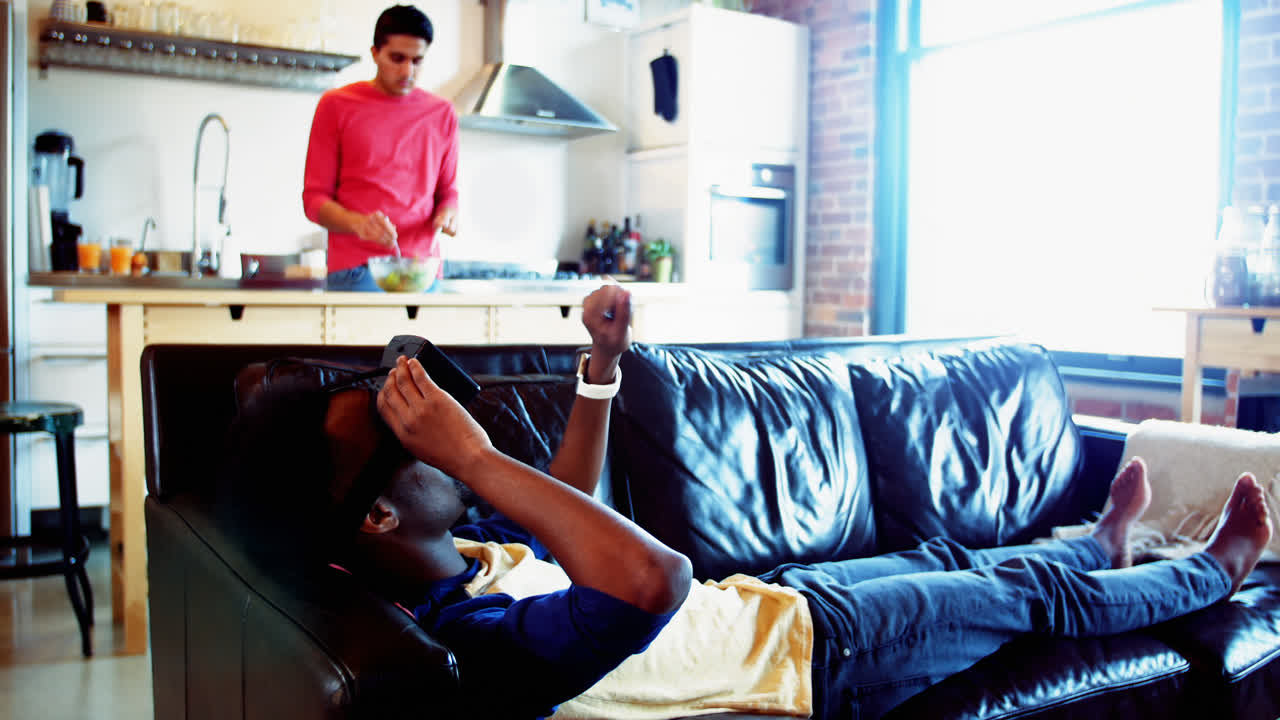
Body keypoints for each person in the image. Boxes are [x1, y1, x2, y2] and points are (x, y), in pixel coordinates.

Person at [225, 285, 1275, 720]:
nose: (439, 438)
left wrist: (600, 365)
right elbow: (652, 578)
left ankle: (1097, 543)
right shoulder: (475, 636)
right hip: (817, 661)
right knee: (1015, 592)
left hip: (783, 598)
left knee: (966, 558)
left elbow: (572, 496)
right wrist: (481, 456)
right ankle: (1207, 571)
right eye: (407, 440)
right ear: (372, 519)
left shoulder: (463, 558)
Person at [302, 4, 459, 292]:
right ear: (375, 53)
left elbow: (447, 193)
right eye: (397, 58)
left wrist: (448, 213)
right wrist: (357, 223)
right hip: (357, 272)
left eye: (417, 60)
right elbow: (313, 201)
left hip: (423, 272)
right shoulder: (336, 106)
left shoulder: (442, 114)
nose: (407, 70)